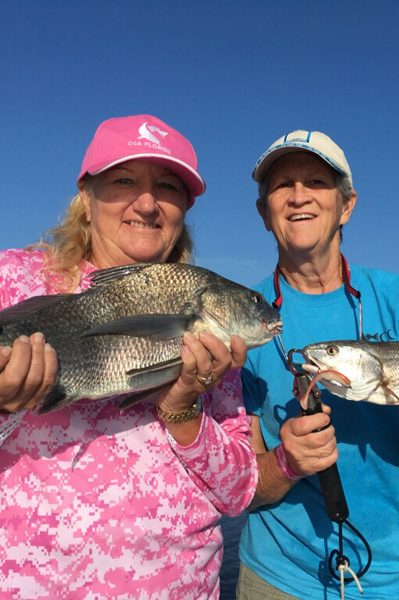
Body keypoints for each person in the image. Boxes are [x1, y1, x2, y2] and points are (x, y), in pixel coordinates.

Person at [0, 114, 257, 598]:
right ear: (86, 193)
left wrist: (182, 408)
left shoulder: (212, 327)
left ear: (184, 208)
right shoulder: (11, 282)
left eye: (167, 186)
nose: (147, 202)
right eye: (123, 181)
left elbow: (238, 491)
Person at [237, 130, 399, 600]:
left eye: (316, 181)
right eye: (283, 185)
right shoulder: (240, 320)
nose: (299, 196)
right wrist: (287, 463)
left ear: (347, 205)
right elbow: (240, 487)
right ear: (264, 212)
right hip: (281, 580)